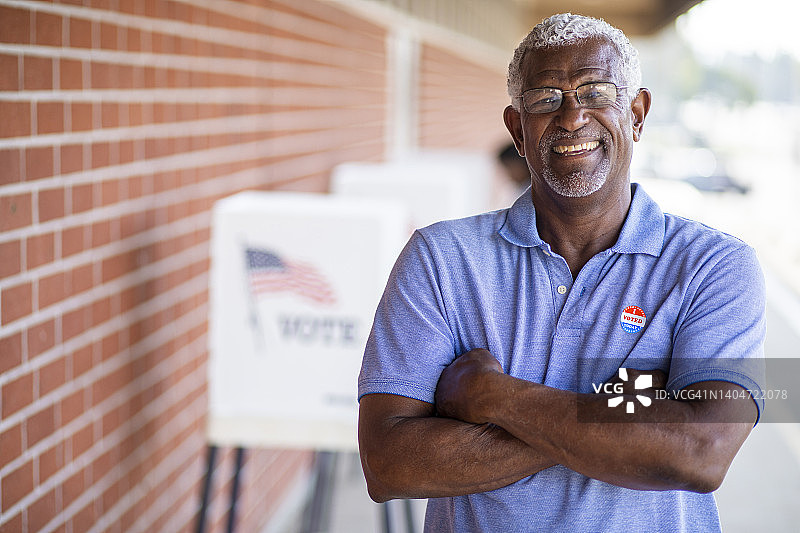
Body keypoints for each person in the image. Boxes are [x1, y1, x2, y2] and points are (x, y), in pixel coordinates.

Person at [358, 13, 765, 532]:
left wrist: (492, 397)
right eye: (546, 99)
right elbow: (388, 465)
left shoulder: (718, 266)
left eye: (596, 93)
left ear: (637, 114)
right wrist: (622, 407)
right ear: (517, 130)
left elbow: (699, 453)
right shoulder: (439, 259)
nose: (572, 117)